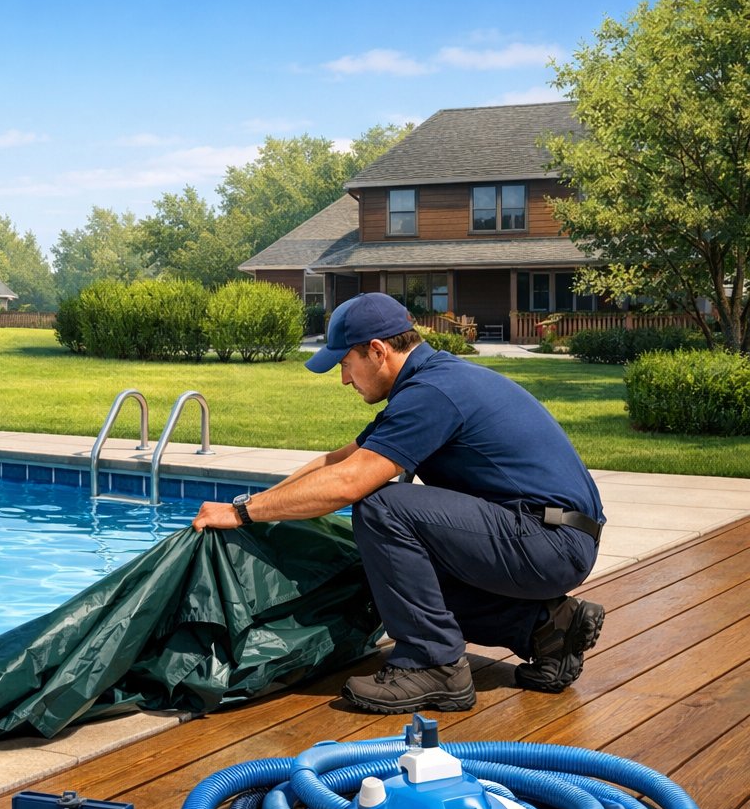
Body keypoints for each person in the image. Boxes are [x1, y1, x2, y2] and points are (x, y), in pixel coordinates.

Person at [192, 292, 606, 713]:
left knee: (381, 506)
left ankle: (433, 665)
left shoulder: (432, 394)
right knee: (388, 571)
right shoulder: (431, 381)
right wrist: (254, 503)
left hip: (547, 541)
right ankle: (548, 629)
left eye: (344, 364)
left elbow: (349, 483)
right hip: (551, 536)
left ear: (377, 351)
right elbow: (339, 460)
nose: (343, 379)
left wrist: (241, 514)